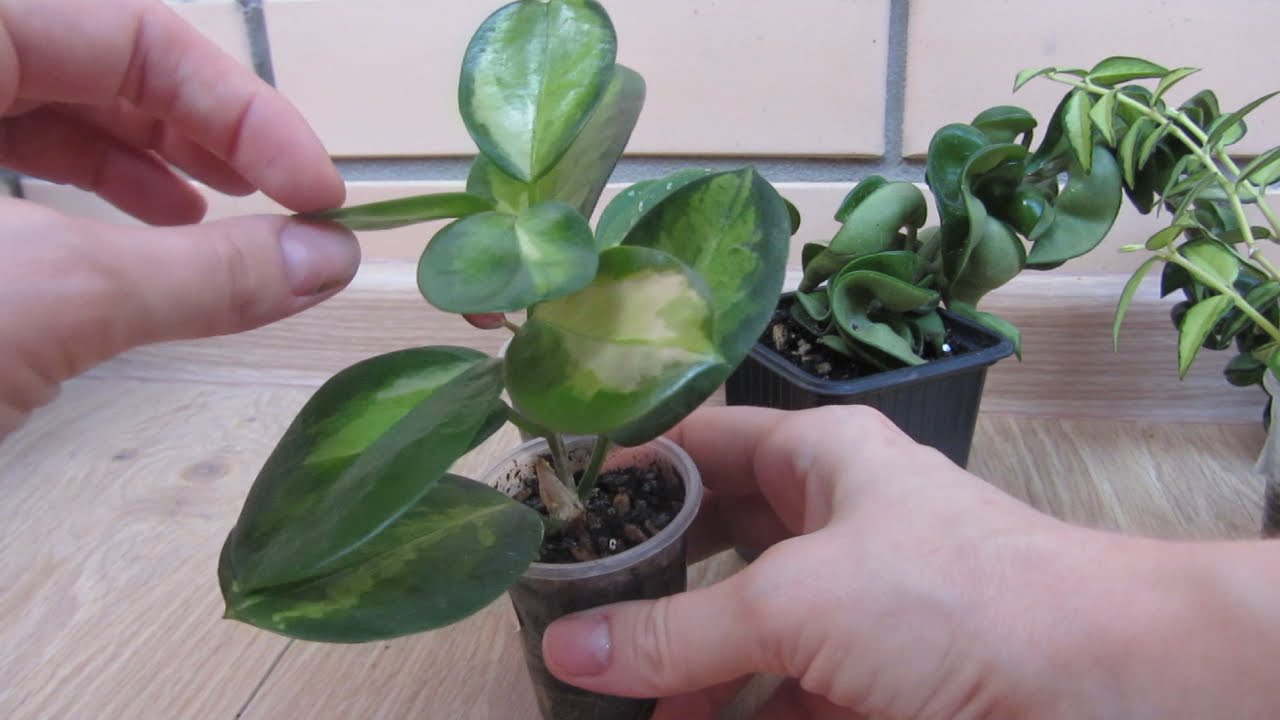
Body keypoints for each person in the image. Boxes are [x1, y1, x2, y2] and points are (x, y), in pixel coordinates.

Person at [2, 2, 1277, 719]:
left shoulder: (565, 300)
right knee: (530, 479)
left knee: (596, 454)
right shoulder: (525, 303)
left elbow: (588, 302)